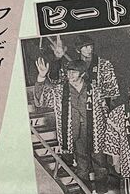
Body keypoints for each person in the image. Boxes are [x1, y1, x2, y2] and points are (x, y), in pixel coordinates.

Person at [49, 33, 119, 165]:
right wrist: (57, 59)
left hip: (98, 116)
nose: (89, 49)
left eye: (91, 46)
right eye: (85, 47)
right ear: (78, 50)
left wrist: (107, 116)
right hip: (78, 116)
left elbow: (111, 93)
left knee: (101, 157)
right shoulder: (72, 66)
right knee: (81, 155)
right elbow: (56, 80)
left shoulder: (104, 64)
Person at [32, 56, 98, 184]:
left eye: (74, 72)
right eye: (69, 72)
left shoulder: (94, 90)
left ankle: (101, 193)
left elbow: (103, 112)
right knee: (83, 168)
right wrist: (41, 77)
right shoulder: (60, 90)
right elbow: (41, 100)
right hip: (73, 134)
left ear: (82, 74)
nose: (70, 74)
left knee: (99, 166)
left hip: (93, 134)